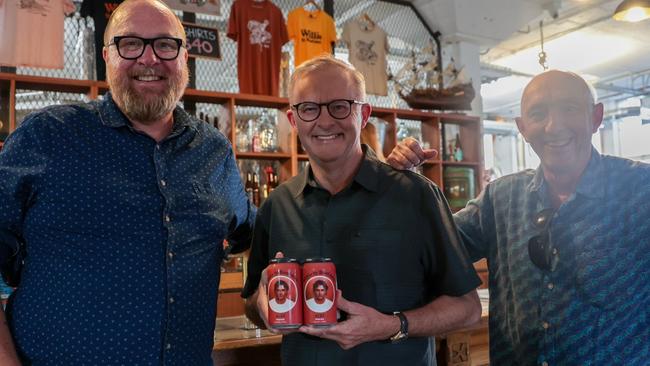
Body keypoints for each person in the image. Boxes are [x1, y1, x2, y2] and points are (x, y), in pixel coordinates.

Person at [0, 1, 255, 365]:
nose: (149, 59)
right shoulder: (48, 136)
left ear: (184, 58)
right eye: (130, 44)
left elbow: (254, 230)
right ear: (107, 56)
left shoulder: (215, 152)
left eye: (166, 44)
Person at [387, 70, 650, 365]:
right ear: (523, 128)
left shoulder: (641, 190)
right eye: (539, 113)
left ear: (596, 117)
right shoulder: (499, 199)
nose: (554, 126)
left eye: (570, 109)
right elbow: (427, 248)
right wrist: (400, 184)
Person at [242, 55, 482, 366]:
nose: (325, 121)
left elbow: (467, 307)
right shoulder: (276, 207)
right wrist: (261, 307)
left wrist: (394, 325)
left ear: (364, 113)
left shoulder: (416, 195)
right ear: (293, 120)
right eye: (309, 108)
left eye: (340, 106)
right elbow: (252, 303)